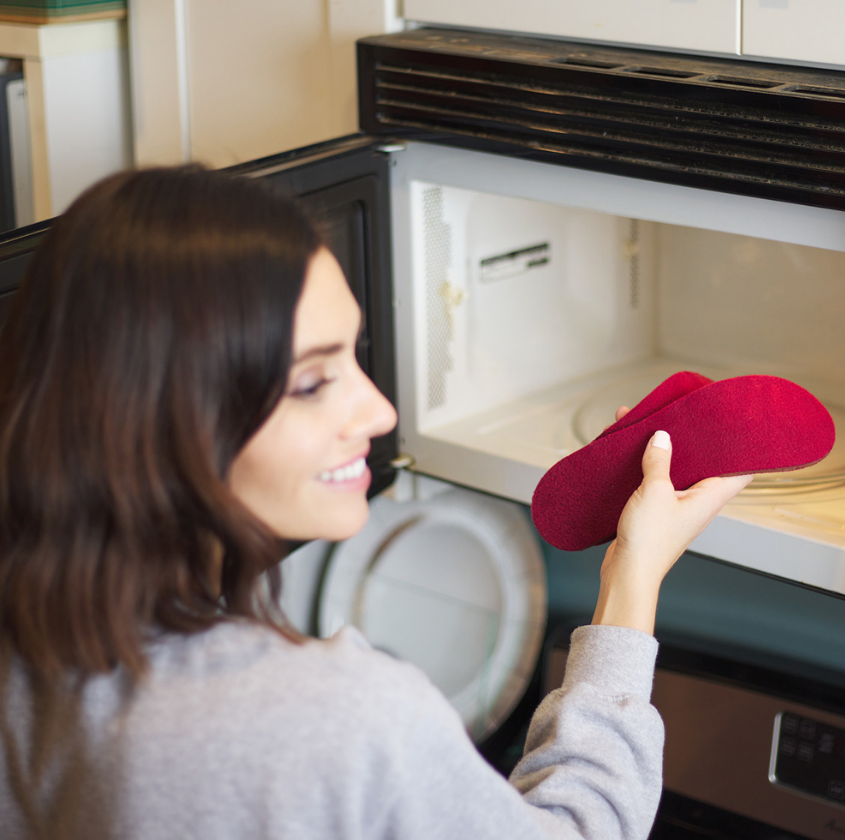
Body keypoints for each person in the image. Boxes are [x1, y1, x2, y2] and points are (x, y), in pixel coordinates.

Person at [0, 166, 751, 840]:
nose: (379, 412)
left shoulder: (28, 645)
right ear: (162, 417)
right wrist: (634, 575)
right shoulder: (333, 719)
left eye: (354, 359)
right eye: (311, 382)